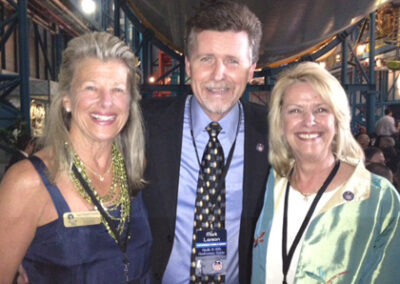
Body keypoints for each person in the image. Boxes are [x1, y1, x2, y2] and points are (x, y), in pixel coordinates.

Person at [0, 32, 152, 283]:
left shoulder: (134, 168)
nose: (106, 103)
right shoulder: (28, 183)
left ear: (130, 102)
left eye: (117, 90)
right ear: (68, 99)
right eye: (91, 88)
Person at [142, 1, 269, 283]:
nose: (218, 74)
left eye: (233, 61)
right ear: (188, 65)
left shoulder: (273, 132)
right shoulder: (145, 125)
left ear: (251, 70)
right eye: (206, 59)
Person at [252, 62, 400, 283]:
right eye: (295, 110)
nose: (308, 121)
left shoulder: (378, 198)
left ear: (337, 119)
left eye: (321, 109)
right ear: (281, 122)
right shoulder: (271, 183)